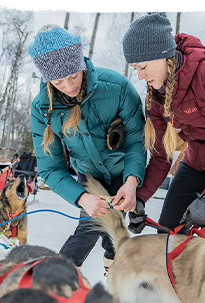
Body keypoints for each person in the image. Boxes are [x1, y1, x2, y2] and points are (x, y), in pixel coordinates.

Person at [118, 13, 205, 235]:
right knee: (168, 233)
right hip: (196, 163)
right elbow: (161, 156)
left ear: (163, 56)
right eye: (135, 68)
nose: (139, 76)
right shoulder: (156, 98)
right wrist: (141, 197)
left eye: (143, 67)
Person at [28, 26, 146, 268]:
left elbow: (136, 139)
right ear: (47, 79)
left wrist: (132, 181)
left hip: (122, 171)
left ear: (81, 63)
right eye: (59, 81)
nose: (69, 86)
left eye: (73, 75)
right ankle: (58, 280)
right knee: (91, 225)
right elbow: (50, 169)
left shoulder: (117, 87)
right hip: (89, 174)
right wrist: (82, 198)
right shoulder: (42, 109)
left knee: (114, 229)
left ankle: (112, 272)